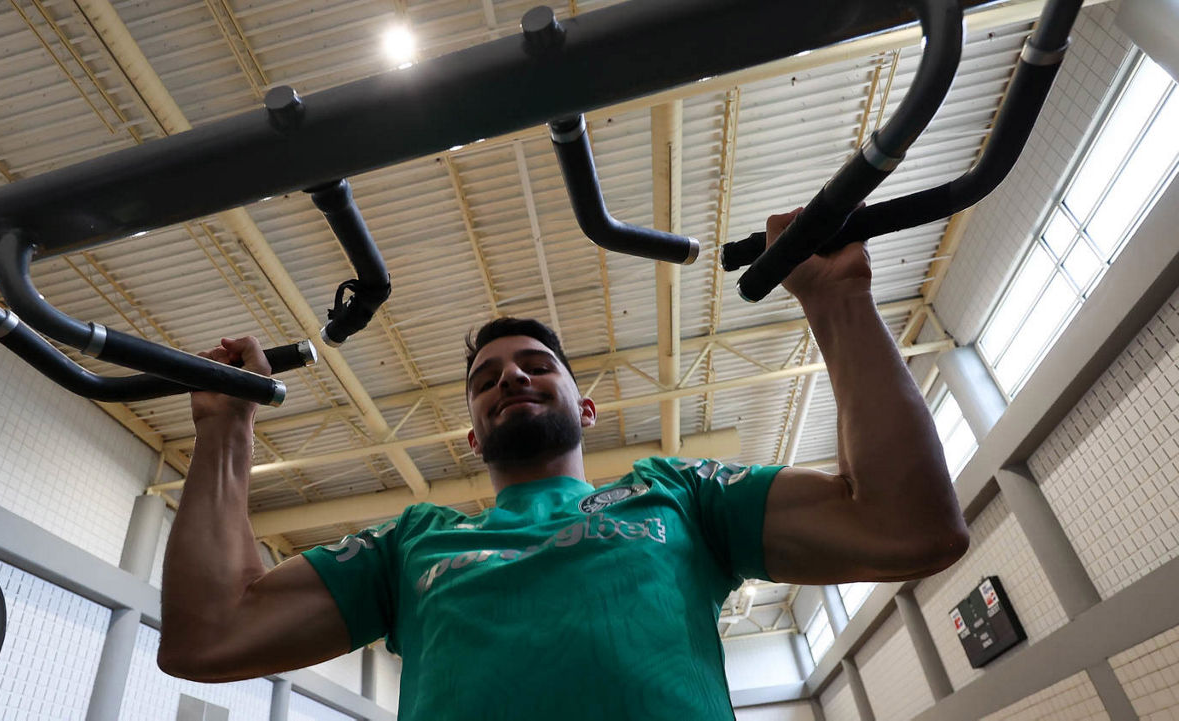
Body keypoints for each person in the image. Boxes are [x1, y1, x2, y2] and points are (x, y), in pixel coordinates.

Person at [158, 209, 969, 719]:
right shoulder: (412, 545)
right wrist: (225, 429)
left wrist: (838, 301)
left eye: (536, 365)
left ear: (586, 410)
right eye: (486, 379)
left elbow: (909, 526)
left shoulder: (681, 496)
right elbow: (210, 633)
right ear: (473, 438)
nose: (510, 376)